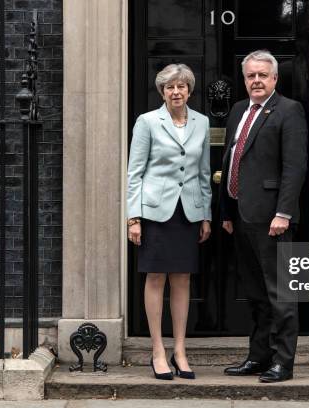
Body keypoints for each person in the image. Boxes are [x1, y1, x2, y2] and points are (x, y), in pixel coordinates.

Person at [219, 50, 307, 383]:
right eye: (250, 75)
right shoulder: (239, 110)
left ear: (274, 79)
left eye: (262, 75)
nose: (256, 80)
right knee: (256, 294)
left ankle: (283, 362)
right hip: (241, 215)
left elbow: (295, 167)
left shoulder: (289, 110)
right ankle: (259, 357)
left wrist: (283, 212)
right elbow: (230, 162)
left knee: (280, 293)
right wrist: (226, 211)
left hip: (273, 219)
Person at [126, 63, 212, 380]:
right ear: (162, 91)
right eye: (169, 87)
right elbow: (135, 172)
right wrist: (133, 218)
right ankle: (157, 351)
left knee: (182, 280)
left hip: (188, 212)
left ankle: (180, 350)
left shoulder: (202, 123)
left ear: (189, 89)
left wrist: (206, 215)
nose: (176, 92)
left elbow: (203, 173)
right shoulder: (147, 122)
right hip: (155, 212)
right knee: (155, 278)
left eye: (181, 86)